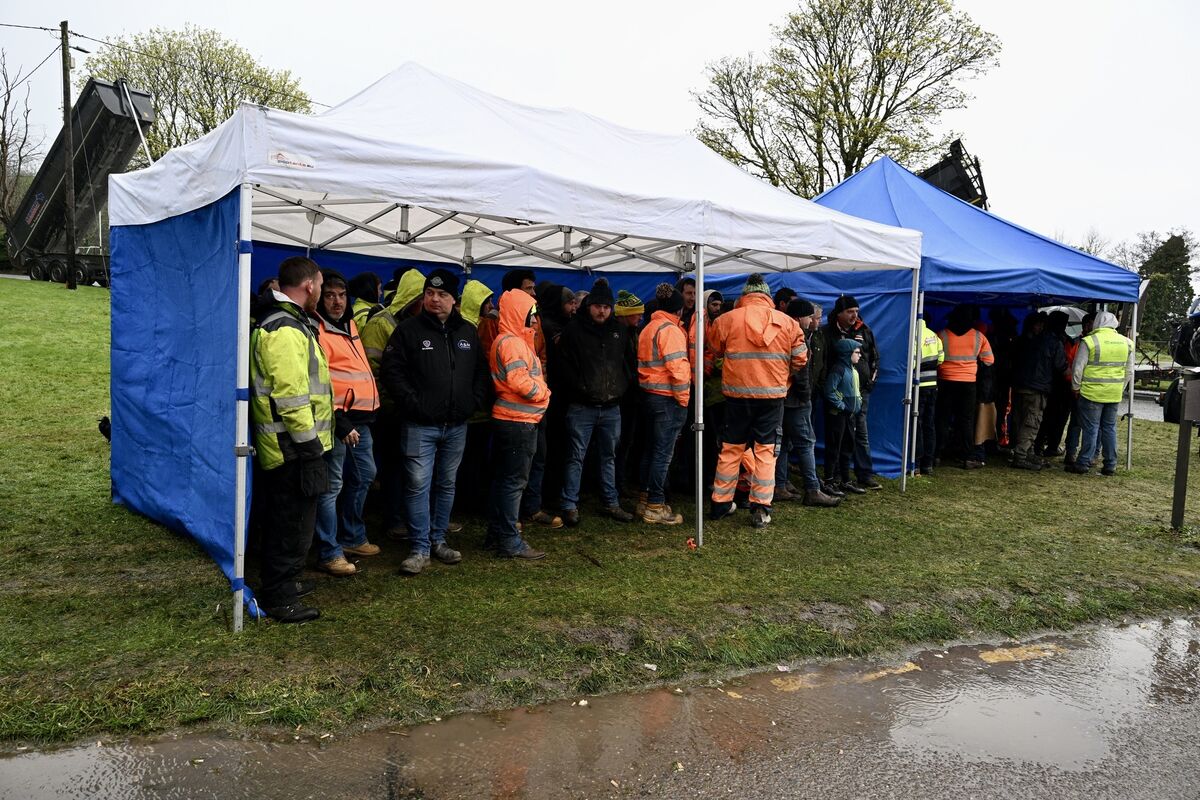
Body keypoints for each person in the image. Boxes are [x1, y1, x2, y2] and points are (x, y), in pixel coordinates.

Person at [381, 269, 490, 574]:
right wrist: (412, 403)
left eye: (442, 295)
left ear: (454, 300)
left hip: (456, 425)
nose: (434, 299)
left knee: (446, 483)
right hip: (420, 425)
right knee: (417, 484)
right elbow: (392, 371)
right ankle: (419, 548)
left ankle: (438, 540)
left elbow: (481, 370)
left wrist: (473, 401)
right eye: (430, 293)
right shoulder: (408, 330)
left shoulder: (467, 331)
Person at [249, 256, 334, 623]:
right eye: (320, 286)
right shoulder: (285, 328)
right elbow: (291, 397)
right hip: (292, 449)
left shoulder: (292, 323)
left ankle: (286, 583)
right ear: (311, 286)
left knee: (294, 521)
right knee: (290, 523)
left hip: (293, 446)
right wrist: (310, 447)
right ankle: (280, 596)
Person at [709, 274, 806, 529]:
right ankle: (761, 508)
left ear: (744, 295)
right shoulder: (788, 323)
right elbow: (800, 359)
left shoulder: (726, 320)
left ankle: (720, 503)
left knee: (731, 449)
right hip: (772, 398)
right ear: (767, 296)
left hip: (736, 396)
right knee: (765, 452)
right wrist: (782, 379)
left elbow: (715, 350)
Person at [313, 270, 382, 578]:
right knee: (332, 487)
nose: (337, 301)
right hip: (336, 421)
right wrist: (340, 420)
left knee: (365, 475)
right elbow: (320, 381)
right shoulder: (317, 330)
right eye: (330, 295)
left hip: (361, 418)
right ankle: (329, 550)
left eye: (341, 295)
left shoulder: (350, 324)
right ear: (319, 297)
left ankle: (352, 536)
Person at [556, 278, 636, 524]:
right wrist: (580, 388)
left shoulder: (619, 331)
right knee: (575, 456)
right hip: (582, 406)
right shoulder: (574, 330)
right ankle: (569, 504)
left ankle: (610, 502)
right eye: (598, 305)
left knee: (608, 456)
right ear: (589, 305)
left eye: (606, 306)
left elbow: (628, 363)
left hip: (612, 406)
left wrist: (621, 387)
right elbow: (563, 366)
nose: (602, 310)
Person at [486, 288, 550, 559]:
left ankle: (497, 534)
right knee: (513, 482)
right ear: (518, 314)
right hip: (517, 421)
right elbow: (519, 381)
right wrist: (544, 394)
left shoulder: (515, 341)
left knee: (504, 480)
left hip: (515, 420)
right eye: (531, 315)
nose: (535, 321)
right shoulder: (511, 343)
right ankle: (509, 540)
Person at [812, 295, 882, 491]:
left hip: (860, 393)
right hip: (836, 396)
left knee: (859, 433)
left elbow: (875, 358)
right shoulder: (826, 332)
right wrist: (828, 391)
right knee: (836, 436)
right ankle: (832, 477)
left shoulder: (864, 330)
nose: (854, 315)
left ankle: (863, 474)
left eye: (857, 311)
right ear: (839, 313)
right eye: (850, 312)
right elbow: (821, 361)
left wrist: (870, 382)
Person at [637, 283, 691, 525]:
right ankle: (655, 505)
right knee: (662, 454)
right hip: (667, 398)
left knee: (650, 450)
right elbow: (678, 369)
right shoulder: (671, 330)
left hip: (649, 395)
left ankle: (645, 498)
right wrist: (683, 400)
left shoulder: (649, 327)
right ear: (678, 310)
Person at [778, 299, 840, 506]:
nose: (811, 320)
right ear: (799, 318)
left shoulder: (780, 334)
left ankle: (780, 484)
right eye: (809, 316)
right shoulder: (798, 337)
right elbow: (801, 371)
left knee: (784, 444)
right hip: (796, 400)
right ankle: (812, 489)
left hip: (781, 398)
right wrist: (806, 396)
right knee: (805, 443)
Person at [1067, 311, 1133, 476]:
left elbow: (1078, 368)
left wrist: (1076, 387)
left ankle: (1083, 462)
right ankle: (1110, 464)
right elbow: (1129, 371)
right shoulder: (1127, 343)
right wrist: (1120, 388)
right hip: (1114, 393)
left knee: (1091, 428)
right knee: (1109, 428)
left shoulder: (1089, 341)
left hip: (1091, 393)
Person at [936, 305, 994, 469]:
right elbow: (989, 360)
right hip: (968, 383)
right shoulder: (979, 337)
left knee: (943, 418)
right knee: (966, 421)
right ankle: (967, 456)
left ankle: (937, 454)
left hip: (945, 381)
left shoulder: (942, 335)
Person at [1009, 312, 1066, 471]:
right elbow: (1061, 365)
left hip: (1019, 384)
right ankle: (1021, 455)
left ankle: (1026, 451)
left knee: (1020, 420)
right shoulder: (1053, 342)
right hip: (1037, 388)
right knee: (1031, 422)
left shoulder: (1021, 340)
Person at [614, 289, 646, 494]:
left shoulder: (634, 333)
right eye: (637, 313)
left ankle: (622, 480)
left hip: (631, 396)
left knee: (627, 441)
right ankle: (618, 482)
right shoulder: (620, 335)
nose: (641, 317)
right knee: (621, 442)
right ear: (626, 314)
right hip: (623, 396)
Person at [913, 316, 944, 476]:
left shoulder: (914, 334)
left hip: (919, 386)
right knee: (930, 424)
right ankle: (928, 464)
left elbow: (911, 363)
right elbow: (941, 359)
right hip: (933, 385)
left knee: (917, 423)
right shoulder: (934, 335)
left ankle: (916, 463)